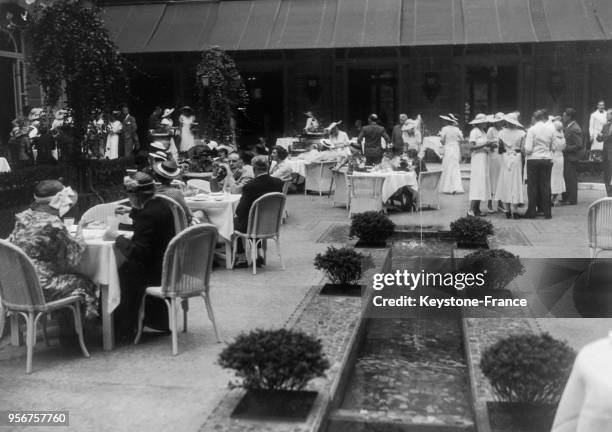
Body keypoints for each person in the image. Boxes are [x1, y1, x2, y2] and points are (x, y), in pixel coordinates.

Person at [9, 180, 98, 344]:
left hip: (17, 285)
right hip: (40, 287)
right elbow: (73, 258)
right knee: (84, 282)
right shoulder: (54, 223)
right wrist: (80, 231)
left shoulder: (23, 217)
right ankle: (77, 335)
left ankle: (67, 330)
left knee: (67, 278)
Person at [105, 173, 174, 340]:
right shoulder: (161, 205)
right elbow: (148, 220)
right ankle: (150, 322)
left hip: (153, 272)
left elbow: (138, 252)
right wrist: (132, 211)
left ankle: (123, 329)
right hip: (167, 266)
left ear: (135, 195)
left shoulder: (147, 214)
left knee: (117, 273)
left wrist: (116, 237)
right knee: (124, 269)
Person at [233, 156, 284, 266]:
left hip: (254, 225)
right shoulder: (278, 183)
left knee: (233, 221)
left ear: (254, 168)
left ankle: (241, 257)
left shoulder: (250, 186)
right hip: (272, 224)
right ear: (268, 167)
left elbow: (240, 211)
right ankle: (258, 255)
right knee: (255, 218)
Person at [495, 113, 526, 219]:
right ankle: (515, 210)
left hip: (505, 157)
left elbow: (500, 148)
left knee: (506, 181)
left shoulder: (501, 133)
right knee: (516, 182)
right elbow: (523, 149)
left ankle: (507, 209)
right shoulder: (522, 133)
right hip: (516, 157)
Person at [524, 109, 554, 219]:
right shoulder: (550, 129)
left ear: (535, 118)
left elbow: (528, 149)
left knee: (532, 186)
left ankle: (531, 211)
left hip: (533, 159)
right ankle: (547, 212)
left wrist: (525, 149)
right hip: (546, 159)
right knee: (545, 186)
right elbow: (553, 146)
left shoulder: (532, 130)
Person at [467, 114, 491, 216]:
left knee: (482, 182)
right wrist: (485, 144)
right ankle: (470, 210)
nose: (485, 123)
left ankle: (477, 209)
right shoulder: (474, 132)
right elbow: (471, 147)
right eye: (483, 121)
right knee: (477, 182)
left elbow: (482, 146)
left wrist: (489, 146)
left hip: (484, 159)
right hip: (477, 159)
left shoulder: (483, 132)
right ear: (479, 122)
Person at [560, 108, 583, 205]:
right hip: (567, 157)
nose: (563, 117)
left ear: (569, 117)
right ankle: (566, 198)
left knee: (571, 179)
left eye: (564, 115)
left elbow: (579, 145)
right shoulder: (568, 126)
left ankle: (572, 199)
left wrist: (565, 148)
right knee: (566, 177)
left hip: (571, 157)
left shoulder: (575, 128)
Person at [438, 114, 464, 194]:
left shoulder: (444, 129)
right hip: (455, 148)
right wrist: (455, 140)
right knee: (455, 167)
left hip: (448, 148)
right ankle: (455, 187)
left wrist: (441, 137)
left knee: (448, 166)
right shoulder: (457, 129)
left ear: (447, 121)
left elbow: (442, 141)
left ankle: (447, 187)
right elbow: (462, 139)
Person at [486, 113, 505, 212]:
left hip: (501, 156)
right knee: (492, 178)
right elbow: (487, 143)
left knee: (500, 179)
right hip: (493, 156)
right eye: (498, 121)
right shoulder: (491, 130)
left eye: (501, 121)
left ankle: (500, 204)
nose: (500, 123)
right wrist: (493, 144)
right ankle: (489, 203)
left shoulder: (503, 131)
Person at [550, 117, 567, 207]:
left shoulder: (552, 135)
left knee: (552, 177)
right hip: (561, 157)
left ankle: (552, 198)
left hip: (554, 156)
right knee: (559, 177)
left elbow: (551, 147)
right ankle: (554, 199)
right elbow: (564, 147)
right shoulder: (562, 135)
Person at [598, 109, 612, 197]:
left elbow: (609, 138)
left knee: (611, 173)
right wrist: (599, 136)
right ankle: (609, 192)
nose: (606, 116)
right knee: (606, 173)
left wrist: (603, 136)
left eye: (608, 114)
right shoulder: (605, 126)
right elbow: (599, 138)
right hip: (606, 153)